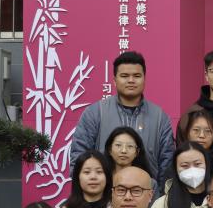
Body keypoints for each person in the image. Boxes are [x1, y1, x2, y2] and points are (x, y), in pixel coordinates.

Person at [70, 51, 174, 194]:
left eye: (136, 76)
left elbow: (167, 164)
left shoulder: (160, 118)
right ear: (114, 80)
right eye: (124, 76)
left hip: (147, 197)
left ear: (144, 79)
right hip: (102, 196)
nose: (131, 80)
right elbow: (79, 158)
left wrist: (159, 199)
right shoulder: (95, 113)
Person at [150, 142, 211, 208]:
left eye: (197, 164)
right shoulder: (161, 205)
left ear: (207, 164)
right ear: (175, 169)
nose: (192, 170)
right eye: (185, 166)